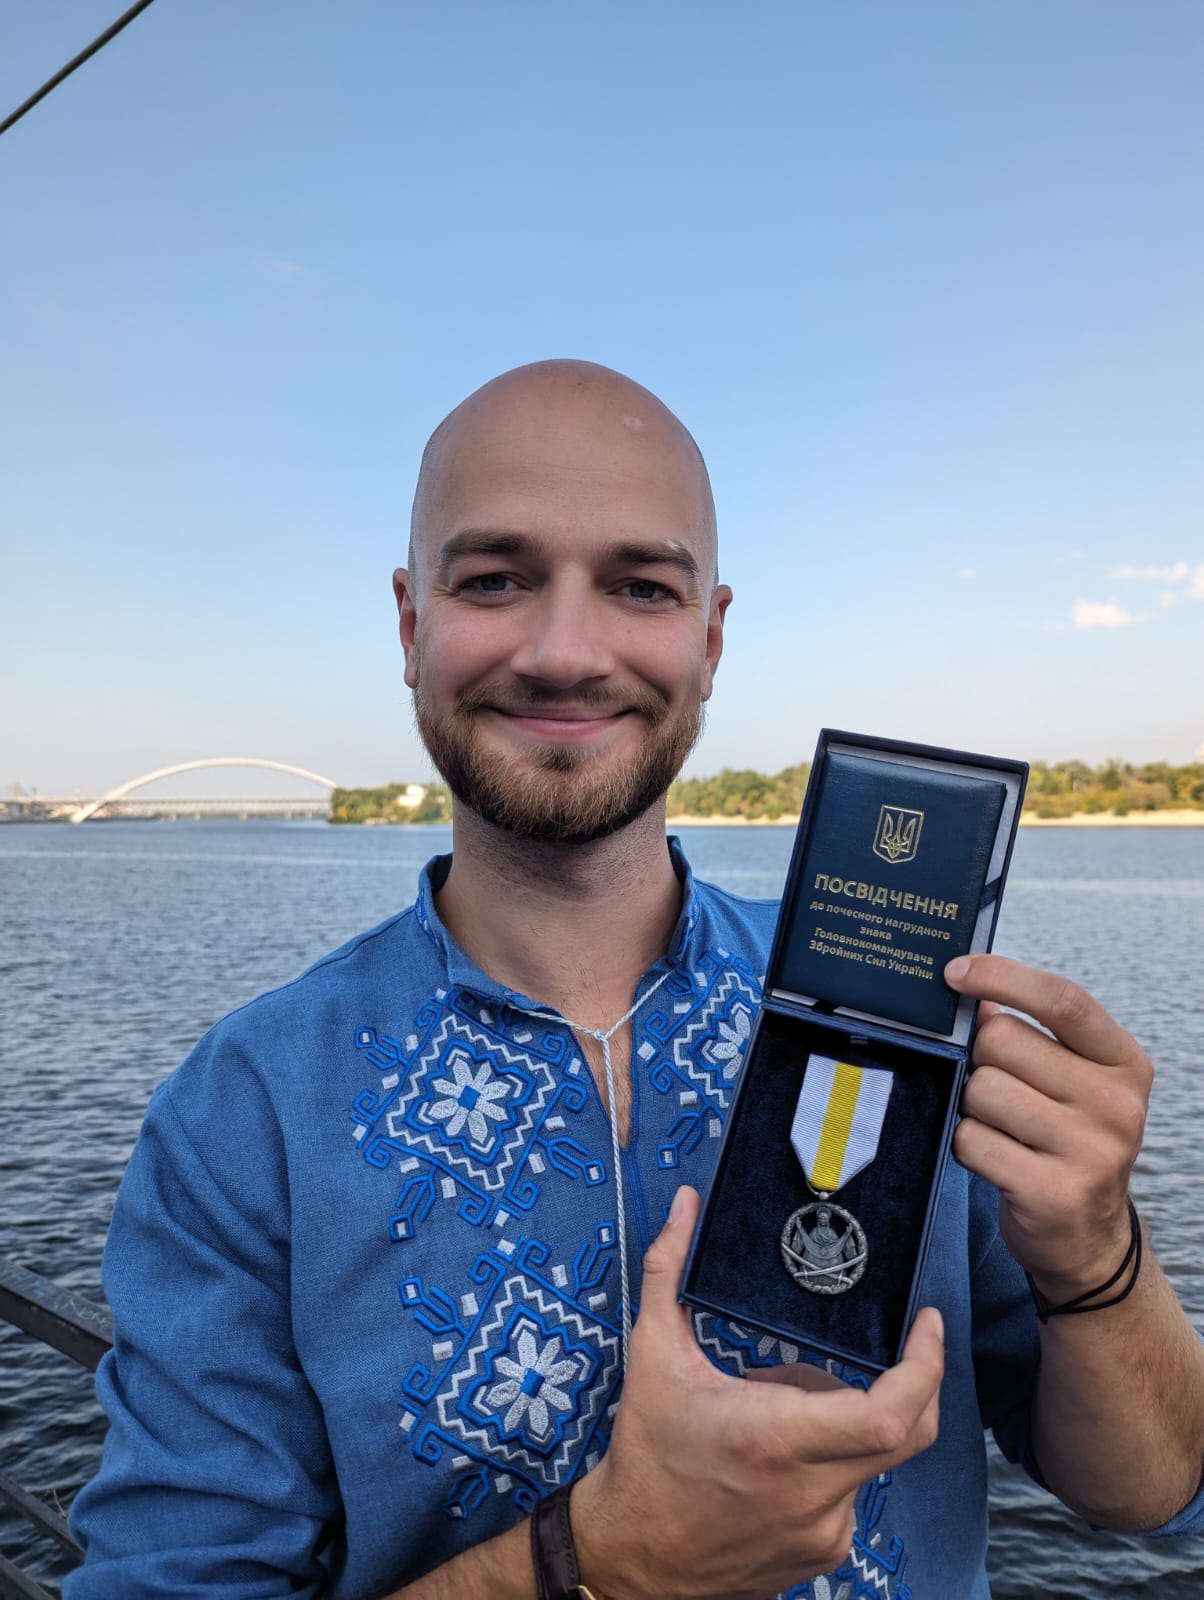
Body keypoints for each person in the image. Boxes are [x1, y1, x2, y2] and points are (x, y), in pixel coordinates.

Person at [66, 360, 1204, 1600]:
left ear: (710, 637)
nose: (565, 650)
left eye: (639, 586)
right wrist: (595, 1563)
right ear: (409, 624)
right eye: (495, 577)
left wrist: (1096, 1250)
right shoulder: (243, 1114)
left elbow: (1150, 1496)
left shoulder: (901, 1009)